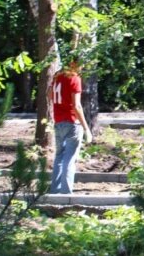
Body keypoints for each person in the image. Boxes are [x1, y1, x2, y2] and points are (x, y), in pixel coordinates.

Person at [49, 59, 93, 194]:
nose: (82, 67)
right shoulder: (74, 78)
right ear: (73, 63)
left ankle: (54, 190)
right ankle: (66, 192)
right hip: (72, 122)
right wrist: (86, 128)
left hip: (58, 122)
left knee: (59, 156)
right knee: (69, 158)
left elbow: (49, 95)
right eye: (81, 64)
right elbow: (77, 105)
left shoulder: (57, 77)